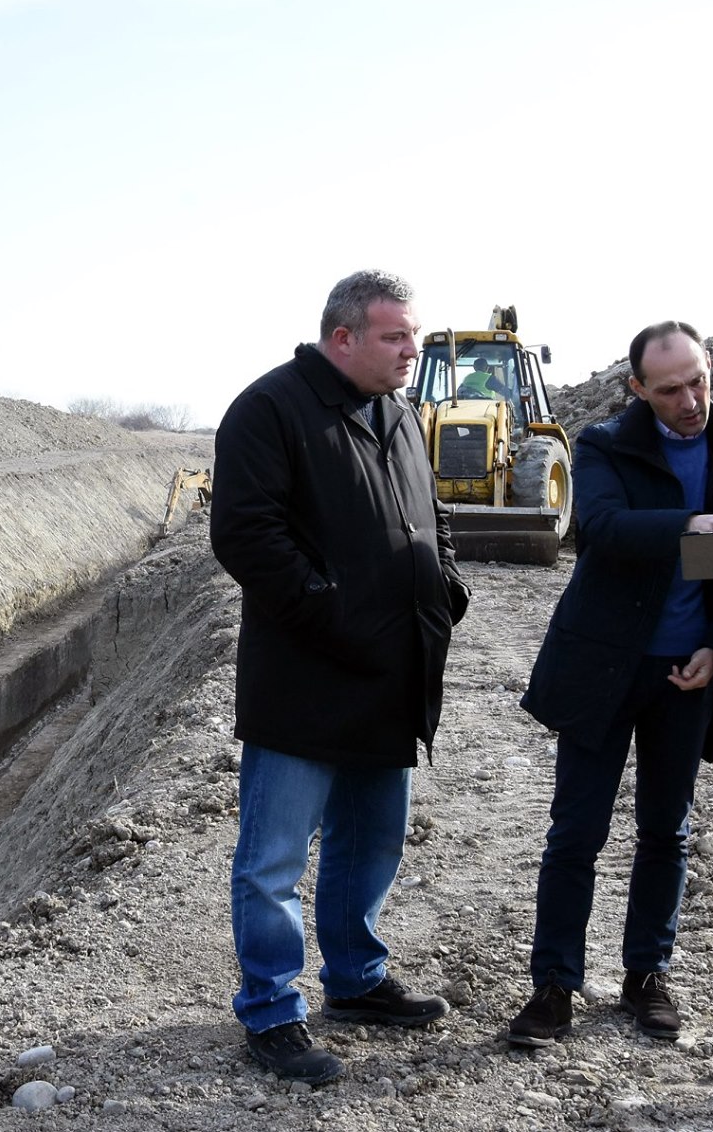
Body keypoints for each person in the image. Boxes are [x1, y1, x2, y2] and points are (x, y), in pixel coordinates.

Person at [209, 269, 470, 1085]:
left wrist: (445, 586)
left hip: (390, 675)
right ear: (343, 337)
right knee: (274, 860)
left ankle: (355, 981)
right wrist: (335, 615)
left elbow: (432, 516)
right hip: (305, 679)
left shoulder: (399, 412)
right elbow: (245, 535)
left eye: (414, 335)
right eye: (397, 336)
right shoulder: (270, 408)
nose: (412, 350)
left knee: (371, 841)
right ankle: (271, 1011)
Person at [507, 321, 713, 1048]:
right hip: (603, 668)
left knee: (666, 831)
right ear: (638, 389)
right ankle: (553, 986)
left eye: (699, 382)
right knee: (576, 832)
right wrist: (691, 523)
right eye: (670, 389)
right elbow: (602, 528)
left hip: (685, 675)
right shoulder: (604, 445)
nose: (690, 401)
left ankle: (647, 976)